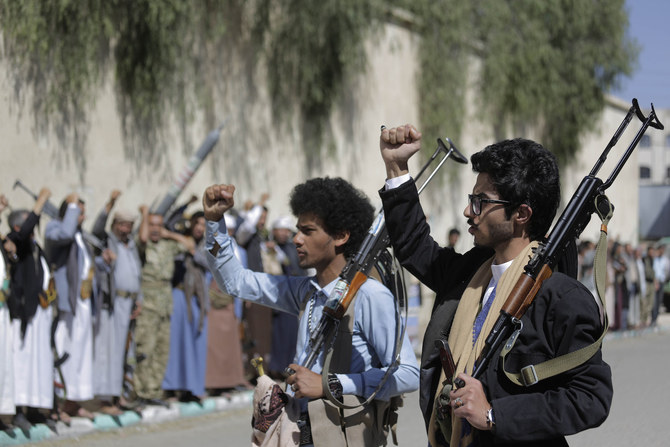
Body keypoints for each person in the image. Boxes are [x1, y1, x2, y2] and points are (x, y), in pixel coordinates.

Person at [378, 124, 612, 446]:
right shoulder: (472, 271)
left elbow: (590, 398)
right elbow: (415, 248)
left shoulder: (560, 297)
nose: (467, 211)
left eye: (480, 202)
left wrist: (494, 415)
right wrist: (396, 168)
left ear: (521, 214)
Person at [202, 177, 419, 446]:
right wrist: (214, 223)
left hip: (346, 435)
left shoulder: (371, 296)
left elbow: (407, 374)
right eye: (297, 230)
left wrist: (331, 384)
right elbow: (235, 282)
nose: (296, 239)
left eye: (308, 231)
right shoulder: (305, 291)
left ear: (340, 236)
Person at [132, 206, 194, 407]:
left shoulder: (167, 244)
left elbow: (190, 245)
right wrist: (144, 216)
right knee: (145, 348)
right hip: (148, 301)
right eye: (152, 225)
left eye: (159, 225)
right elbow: (142, 239)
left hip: (165, 302)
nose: (156, 230)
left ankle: (153, 390)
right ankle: (140, 391)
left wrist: (169, 233)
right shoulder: (143, 244)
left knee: (161, 348)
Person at [6, 189, 57, 428]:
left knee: (39, 362)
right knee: (23, 363)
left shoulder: (34, 246)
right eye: (29, 221)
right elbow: (25, 230)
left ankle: (35, 408)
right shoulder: (16, 242)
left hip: (41, 313)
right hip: (24, 314)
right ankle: (19, 411)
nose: (32, 226)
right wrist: (40, 203)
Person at [45, 193, 97, 420]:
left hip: (83, 304)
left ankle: (73, 402)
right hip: (66, 303)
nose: (82, 216)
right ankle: (56, 404)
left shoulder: (79, 235)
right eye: (78, 211)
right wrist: (73, 204)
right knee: (63, 351)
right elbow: (64, 235)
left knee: (80, 354)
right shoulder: (55, 229)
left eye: (82, 211)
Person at [90, 190, 143, 413]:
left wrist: (138, 300)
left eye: (129, 225)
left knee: (124, 353)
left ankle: (119, 395)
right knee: (109, 351)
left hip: (128, 305)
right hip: (112, 304)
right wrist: (110, 203)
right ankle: (105, 400)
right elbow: (97, 228)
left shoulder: (130, 245)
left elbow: (136, 274)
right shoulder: (107, 241)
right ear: (115, 225)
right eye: (121, 224)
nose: (125, 229)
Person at [162, 211, 210, 403]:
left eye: (203, 224)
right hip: (179, 296)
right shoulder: (180, 240)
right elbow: (168, 222)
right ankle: (171, 388)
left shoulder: (208, 245)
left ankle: (193, 387)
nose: (200, 227)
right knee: (176, 343)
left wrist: (193, 252)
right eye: (197, 223)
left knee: (197, 343)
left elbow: (210, 264)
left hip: (197, 300)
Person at [204, 212, 250, 394]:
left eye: (231, 230)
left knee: (232, 343)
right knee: (214, 345)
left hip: (232, 300)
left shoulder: (241, 251)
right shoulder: (212, 247)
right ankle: (214, 382)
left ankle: (232, 380)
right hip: (215, 302)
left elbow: (243, 275)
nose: (229, 233)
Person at [267, 215, 306, 378]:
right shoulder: (269, 247)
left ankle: (287, 366)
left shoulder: (291, 247)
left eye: (285, 230)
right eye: (280, 230)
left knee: (291, 333)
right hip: (276, 295)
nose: (283, 234)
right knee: (277, 334)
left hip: (292, 295)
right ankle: (275, 367)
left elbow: (293, 266)